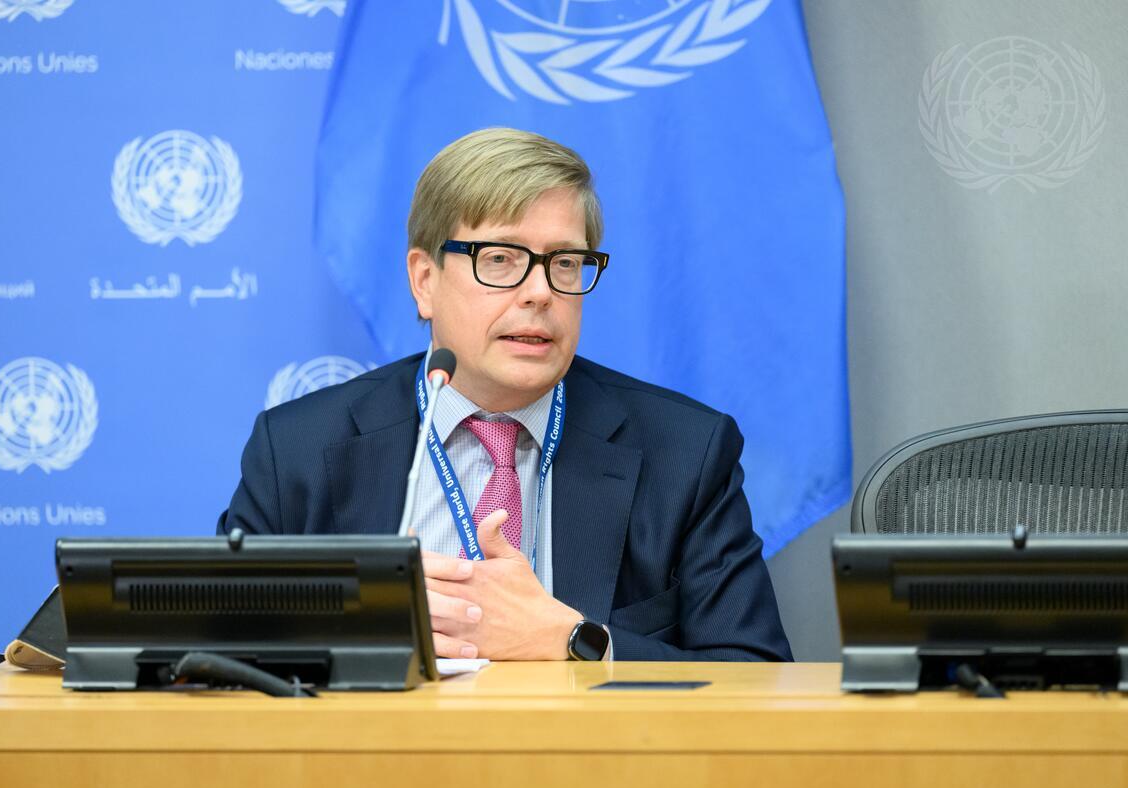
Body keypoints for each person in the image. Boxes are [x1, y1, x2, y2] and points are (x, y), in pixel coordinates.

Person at [218, 128, 791, 662]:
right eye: (500, 259)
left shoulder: (684, 453)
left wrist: (577, 641)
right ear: (424, 280)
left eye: (565, 263)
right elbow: (219, 659)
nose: (540, 292)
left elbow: (755, 676)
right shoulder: (299, 450)